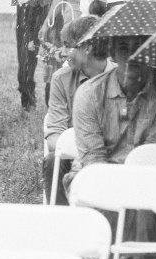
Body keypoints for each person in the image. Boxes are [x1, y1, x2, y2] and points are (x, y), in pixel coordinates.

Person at [66, 36, 156, 187]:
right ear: (112, 53)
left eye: (141, 47)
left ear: (151, 51)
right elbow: (94, 160)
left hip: (147, 178)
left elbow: (154, 153)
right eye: (124, 48)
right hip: (98, 177)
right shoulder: (89, 94)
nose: (133, 55)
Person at [42, 16, 113, 205]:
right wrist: (83, 151)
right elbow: (53, 139)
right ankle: (60, 223)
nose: (63, 52)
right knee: (52, 162)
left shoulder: (119, 75)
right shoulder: (61, 79)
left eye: (68, 46)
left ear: (86, 48)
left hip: (113, 151)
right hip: (74, 153)